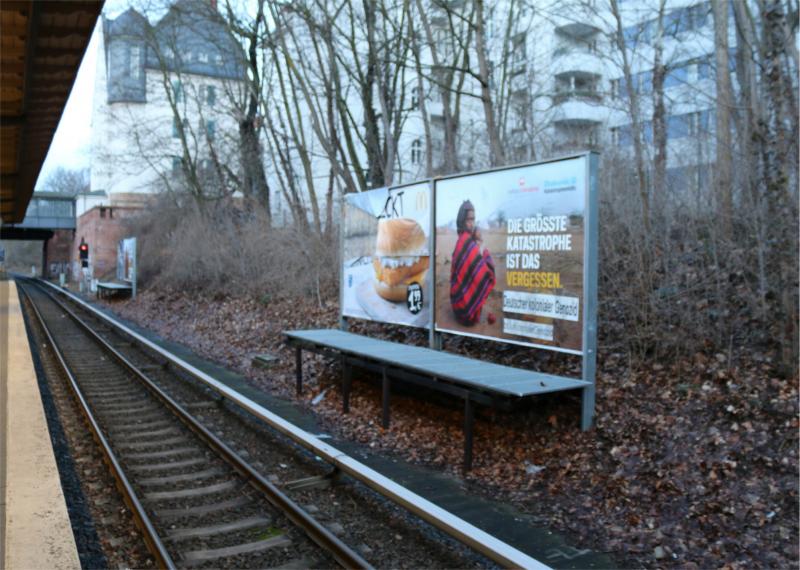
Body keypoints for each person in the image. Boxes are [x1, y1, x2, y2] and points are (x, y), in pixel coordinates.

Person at [449, 200, 495, 326]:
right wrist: (483, 250)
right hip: (466, 314)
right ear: (462, 220)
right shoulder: (467, 242)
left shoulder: (462, 240)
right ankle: (472, 307)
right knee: (486, 274)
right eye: (469, 219)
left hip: (457, 306)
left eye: (473, 219)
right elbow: (486, 275)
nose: (472, 223)